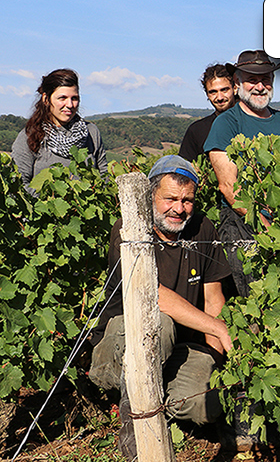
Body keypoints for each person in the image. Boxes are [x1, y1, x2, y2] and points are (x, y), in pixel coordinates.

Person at [88, 155, 233, 459]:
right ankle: (136, 432)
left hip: (176, 348)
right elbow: (152, 296)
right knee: (160, 322)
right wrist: (217, 328)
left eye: (187, 200)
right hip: (120, 344)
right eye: (170, 198)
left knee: (206, 404)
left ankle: (154, 401)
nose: (179, 209)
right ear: (150, 195)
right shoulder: (129, 230)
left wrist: (218, 362)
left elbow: (213, 300)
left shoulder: (203, 229)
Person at [203, 49, 280, 297]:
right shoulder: (226, 123)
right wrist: (268, 229)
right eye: (252, 79)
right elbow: (229, 188)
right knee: (255, 292)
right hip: (244, 221)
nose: (260, 86)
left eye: (266, 79)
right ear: (237, 83)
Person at [11, 68, 107, 196]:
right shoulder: (29, 135)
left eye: (74, 98)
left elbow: (104, 177)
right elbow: (19, 185)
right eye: (62, 98)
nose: (70, 104)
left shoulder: (91, 132)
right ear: (46, 99)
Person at [179, 64, 237, 162]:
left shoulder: (251, 121)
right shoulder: (197, 130)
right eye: (213, 92)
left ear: (235, 88)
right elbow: (185, 169)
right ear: (207, 94)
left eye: (224, 90)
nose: (220, 97)